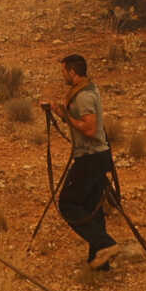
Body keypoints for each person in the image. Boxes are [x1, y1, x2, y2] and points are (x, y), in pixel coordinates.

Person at [54, 53, 118, 270]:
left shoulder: (83, 97)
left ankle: (105, 244)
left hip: (90, 157)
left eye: (64, 71)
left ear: (73, 72)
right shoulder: (88, 89)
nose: (62, 75)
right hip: (97, 156)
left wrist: (65, 117)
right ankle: (99, 261)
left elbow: (89, 129)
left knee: (68, 204)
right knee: (91, 206)